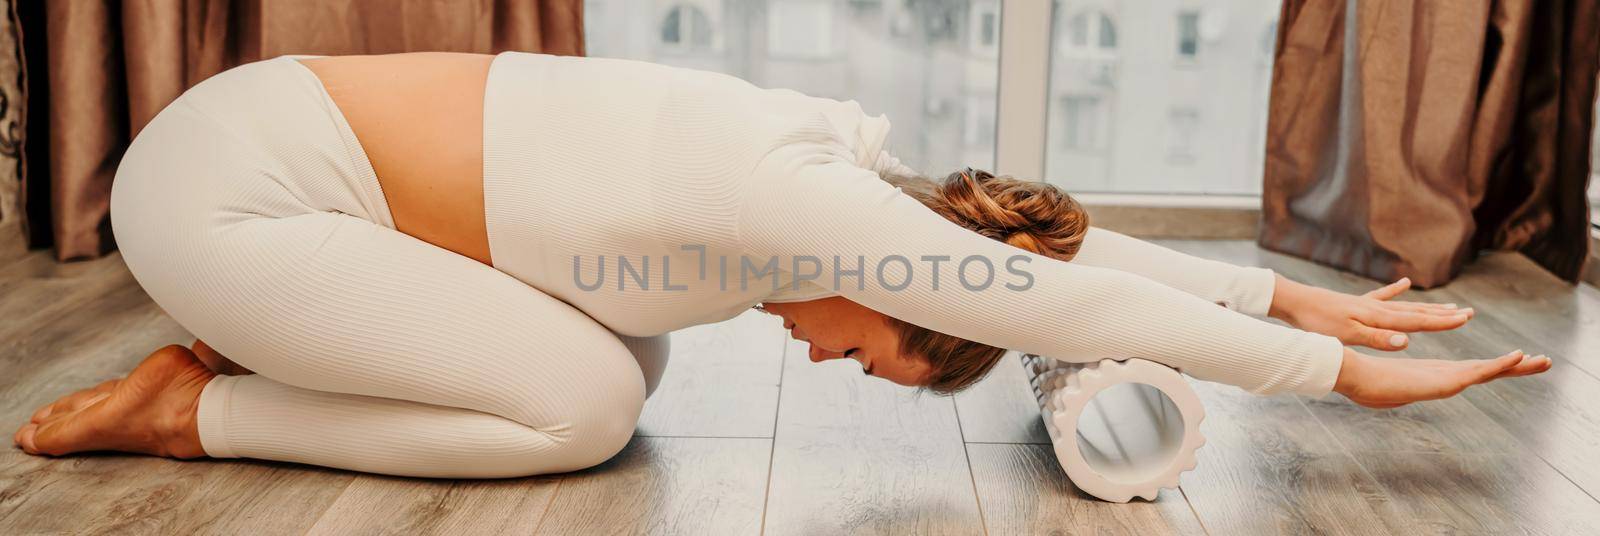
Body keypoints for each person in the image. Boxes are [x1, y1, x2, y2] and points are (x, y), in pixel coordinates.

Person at [13, 52, 1549, 478]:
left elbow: (1060, 250)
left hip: (268, 176)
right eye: (879, 356)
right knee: (581, 411)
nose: (832, 362)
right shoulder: (795, 200)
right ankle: (187, 412)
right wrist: (1343, 374)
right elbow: (1058, 293)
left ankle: (244, 358)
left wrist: (1284, 284)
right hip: (230, 196)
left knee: (628, 357)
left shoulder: (824, 198)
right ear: (900, 290)